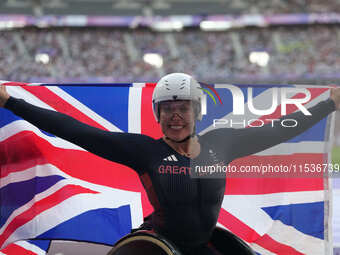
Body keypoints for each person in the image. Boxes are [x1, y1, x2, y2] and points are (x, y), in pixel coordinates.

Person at [1, 73, 340, 255]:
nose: (175, 116)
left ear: (197, 112)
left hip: (205, 244)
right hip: (157, 247)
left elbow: (279, 129)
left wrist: (328, 105)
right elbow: (73, 130)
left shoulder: (224, 143)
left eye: (184, 108)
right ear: (158, 115)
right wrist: (10, 101)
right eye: (167, 109)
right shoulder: (143, 151)